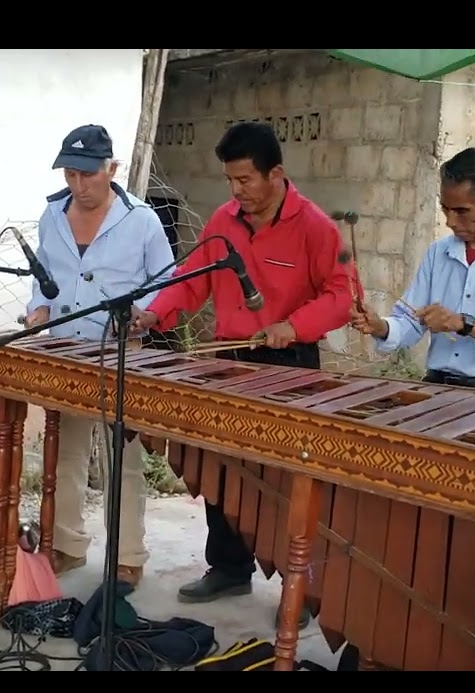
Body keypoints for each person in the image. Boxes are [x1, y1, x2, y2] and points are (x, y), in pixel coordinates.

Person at [130, 121, 353, 618]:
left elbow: (341, 297)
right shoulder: (223, 222)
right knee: (224, 471)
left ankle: (300, 587)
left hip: (289, 363)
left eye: (245, 180)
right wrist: (153, 314)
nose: (236, 192)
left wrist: (294, 325)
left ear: (276, 174)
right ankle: (230, 568)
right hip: (229, 358)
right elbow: (191, 283)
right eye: (230, 181)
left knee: (285, 482)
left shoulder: (317, 227)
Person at [23, 124, 175, 591]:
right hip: (65, 349)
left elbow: (167, 282)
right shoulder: (52, 214)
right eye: (70, 174)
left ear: (112, 168)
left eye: (88, 175)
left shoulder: (142, 220)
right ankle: (66, 544)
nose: (78, 185)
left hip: (119, 352)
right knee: (64, 453)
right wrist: (38, 310)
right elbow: (42, 274)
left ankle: (127, 555)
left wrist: (145, 316)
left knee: (120, 460)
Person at [349, 147, 475, 391]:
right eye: (445, 208)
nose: (450, 221)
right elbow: (410, 321)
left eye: (462, 211)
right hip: (437, 385)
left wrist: (463, 323)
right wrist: (380, 326)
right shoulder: (438, 252)